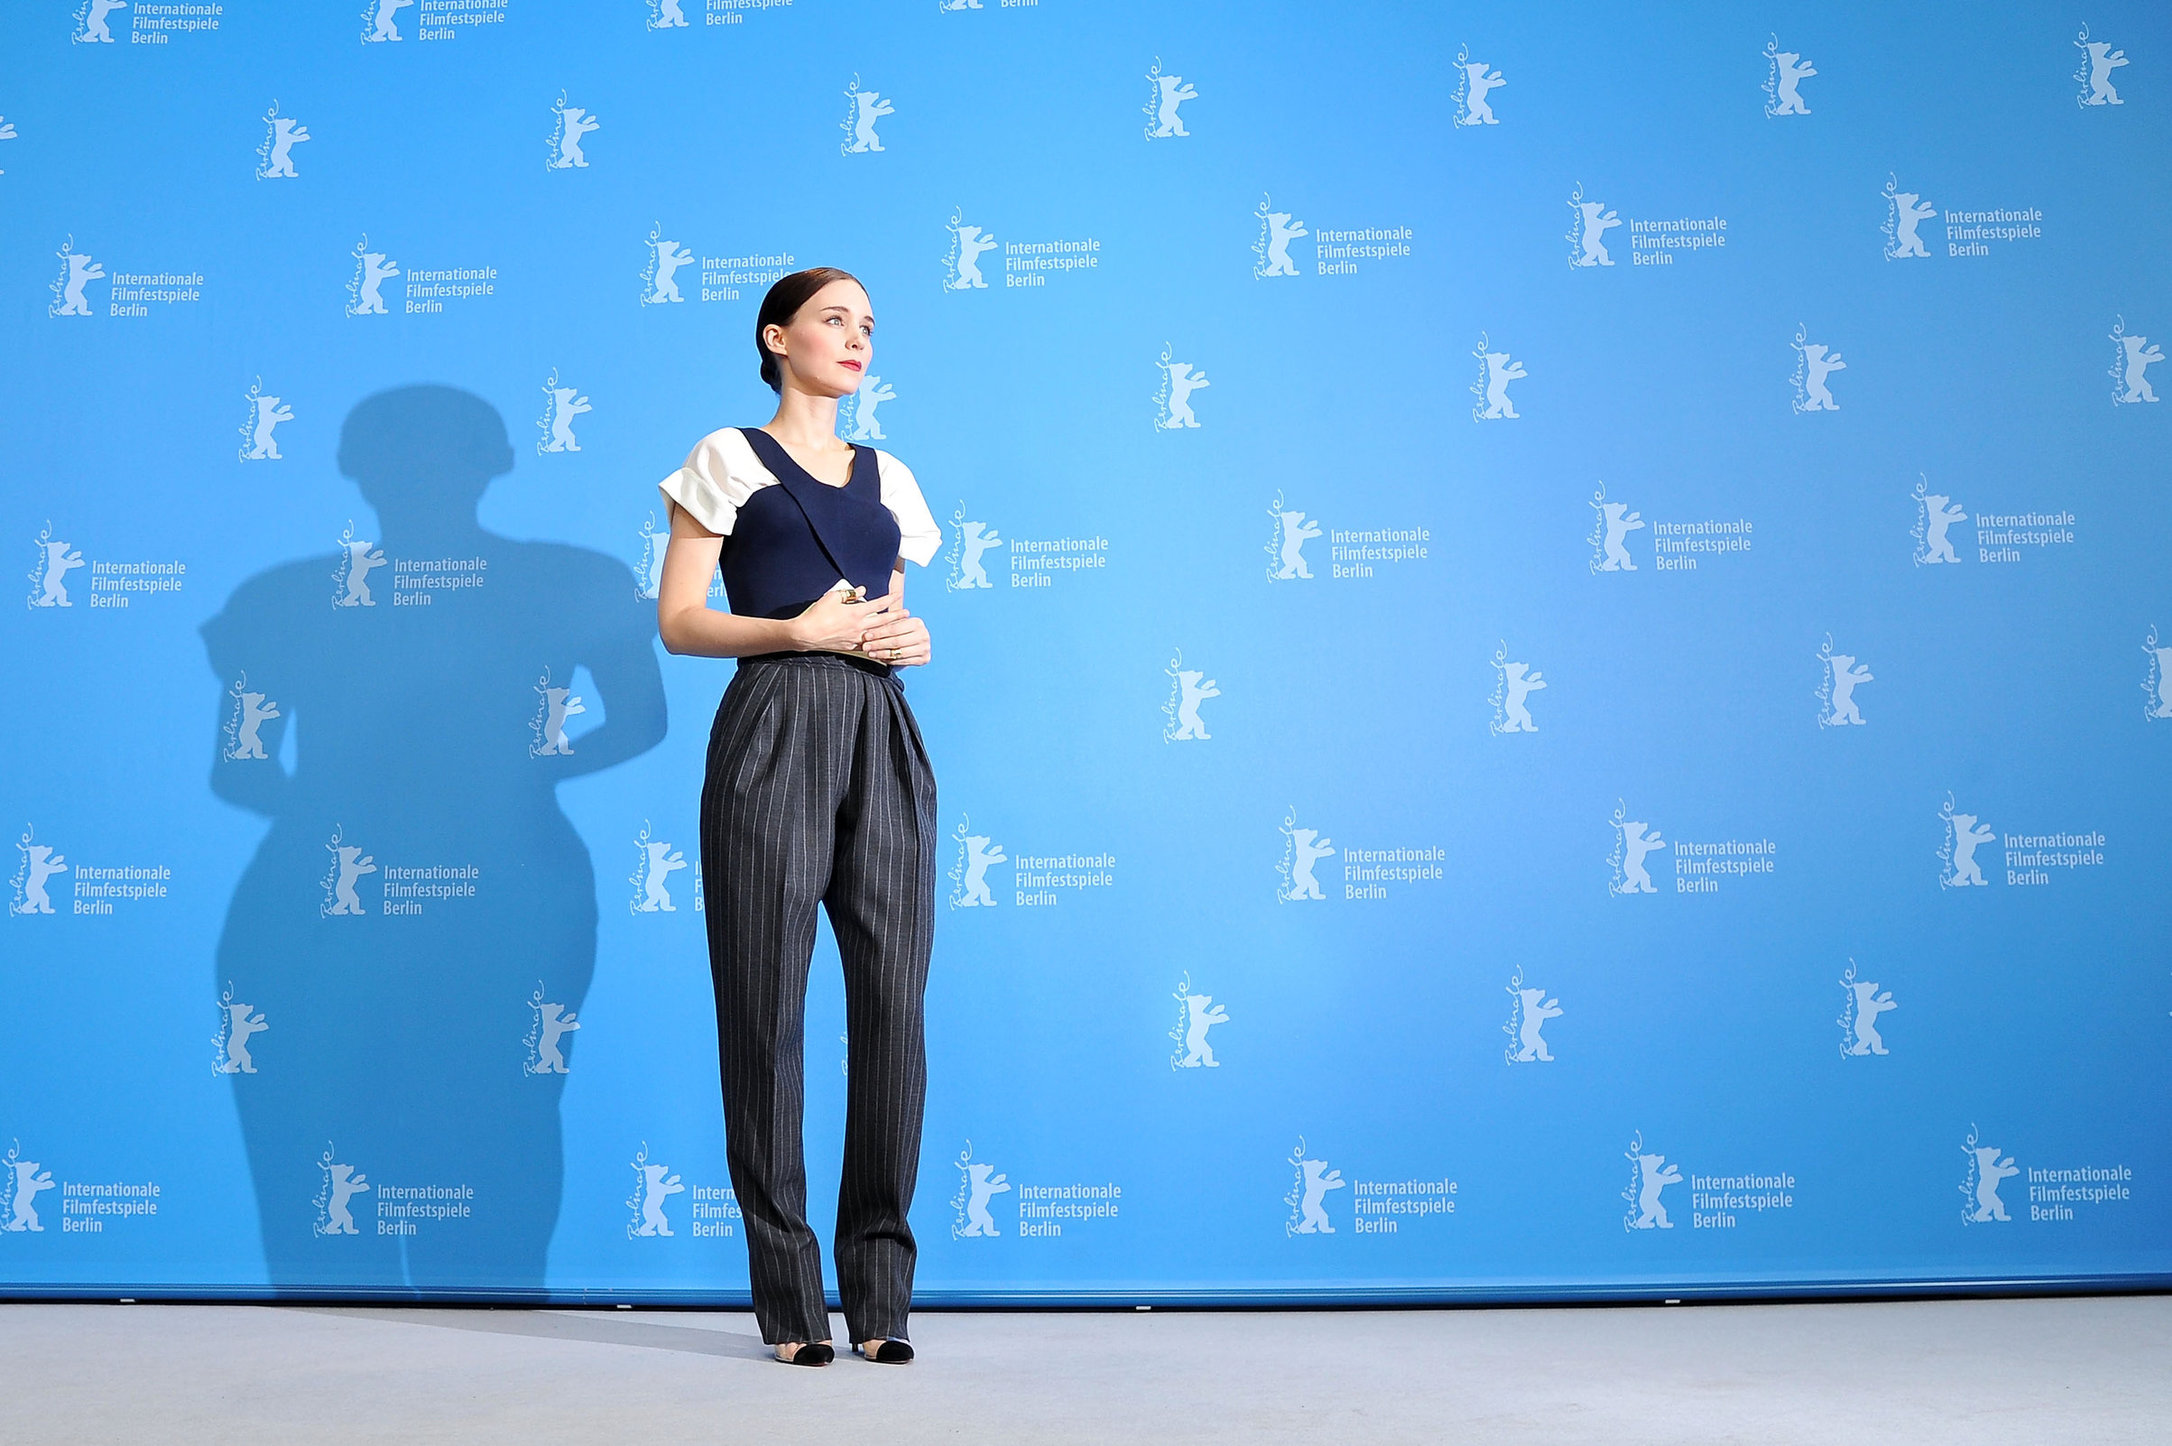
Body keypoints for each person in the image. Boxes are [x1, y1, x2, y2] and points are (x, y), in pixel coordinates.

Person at [653, 267, 943, 1366]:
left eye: (869, 322)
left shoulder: (892, 478)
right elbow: (681, 623)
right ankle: (789, 1306)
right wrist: (796, 635)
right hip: (774, 723)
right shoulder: (725, 458)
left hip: (882, 731)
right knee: (765, 1013)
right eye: (834, 318)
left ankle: (880, 1300)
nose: (857, 336)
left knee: (894, 1018)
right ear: (777, 337)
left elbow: (889, 617)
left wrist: (900, 640)